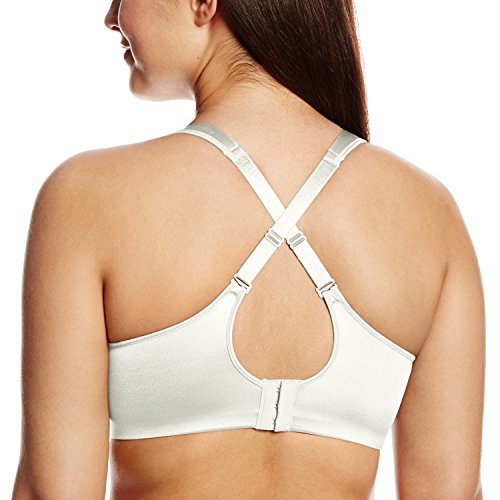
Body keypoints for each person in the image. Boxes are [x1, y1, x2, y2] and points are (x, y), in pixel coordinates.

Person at [12, 0, 485, 498]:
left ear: (203, 3)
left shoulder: (89, 197)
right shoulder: (430, 216)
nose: (112, 17)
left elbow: (52, 494)